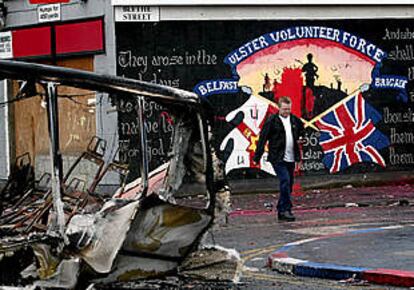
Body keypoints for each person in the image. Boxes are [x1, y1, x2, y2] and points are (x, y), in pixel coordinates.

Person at [253, 96, 304, 222]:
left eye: (288, 109)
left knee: (289, 184)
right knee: (285, 180)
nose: (287, 112)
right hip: (278, 157)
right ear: (279, 108)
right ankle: (285, 209)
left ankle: (282, 209)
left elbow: (302, 131)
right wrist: (257, 156)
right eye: (284, 109)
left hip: (291, 156)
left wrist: (301, 138)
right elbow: (263, 138)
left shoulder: (294, 120)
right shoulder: (272, 121)